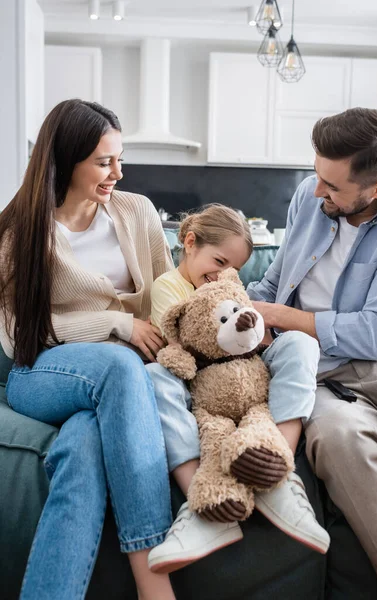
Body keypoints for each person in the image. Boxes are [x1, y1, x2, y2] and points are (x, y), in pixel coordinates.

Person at [0, 99, 178, 600]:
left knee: (82, 443)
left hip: (115, 383)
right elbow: (18, 335)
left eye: (120, 159)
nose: (118, 172)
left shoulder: (135, 211)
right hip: (40, 374)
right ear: (65, 160)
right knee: (119, 367)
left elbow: (166, 290)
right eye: (104, 161)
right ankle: (154, 576)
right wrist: (115, 324)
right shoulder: (21, 231)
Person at [246, 108, 377, 600]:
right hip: (319, 373)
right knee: (338, 439)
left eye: (332, 187)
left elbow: (376, 333)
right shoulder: (306, 198)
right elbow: (275, 283)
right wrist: (247, 308)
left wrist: (281, 317)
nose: (317, 193)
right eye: (317, 177)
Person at [145, 205, 330, 574]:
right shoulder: (168, 286)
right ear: (190, 242)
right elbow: (188, 343)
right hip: (199, 388)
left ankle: (278, 473)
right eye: (217, 260)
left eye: (232, 269)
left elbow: (248, 332)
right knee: (153, 376)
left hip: (248, 381)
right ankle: (200, 494)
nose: (219, 275)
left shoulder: (229, 287)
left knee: (301, 344)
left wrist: (254, 330)